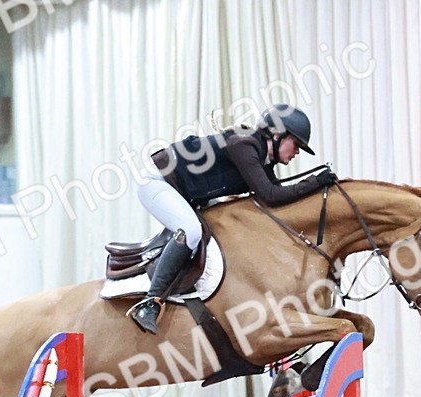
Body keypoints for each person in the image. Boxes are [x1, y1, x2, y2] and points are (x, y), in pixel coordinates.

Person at [127, 104, 337, 334]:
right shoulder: (244, 145)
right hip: (158, 181)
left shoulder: (261, 159)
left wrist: (316, 188)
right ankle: (150, 303)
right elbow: (270, 195)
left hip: (184, 191)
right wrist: (315, 182)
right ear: (277, 135)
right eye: (296, 145)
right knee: (191, 230)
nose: (296, 152)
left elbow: (275, 200)